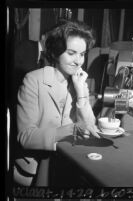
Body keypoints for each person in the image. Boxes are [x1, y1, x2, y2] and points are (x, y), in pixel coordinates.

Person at [14, 20, 100, 186]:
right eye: (71, 53)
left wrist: (81, 92)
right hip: (37, 167)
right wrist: (70, 130)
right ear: (55, 52)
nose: (78, 61)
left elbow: (89, 128)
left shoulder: (79, 82)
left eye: (82, 54)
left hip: (71, 163)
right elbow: (25, 137)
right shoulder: (33, 80)